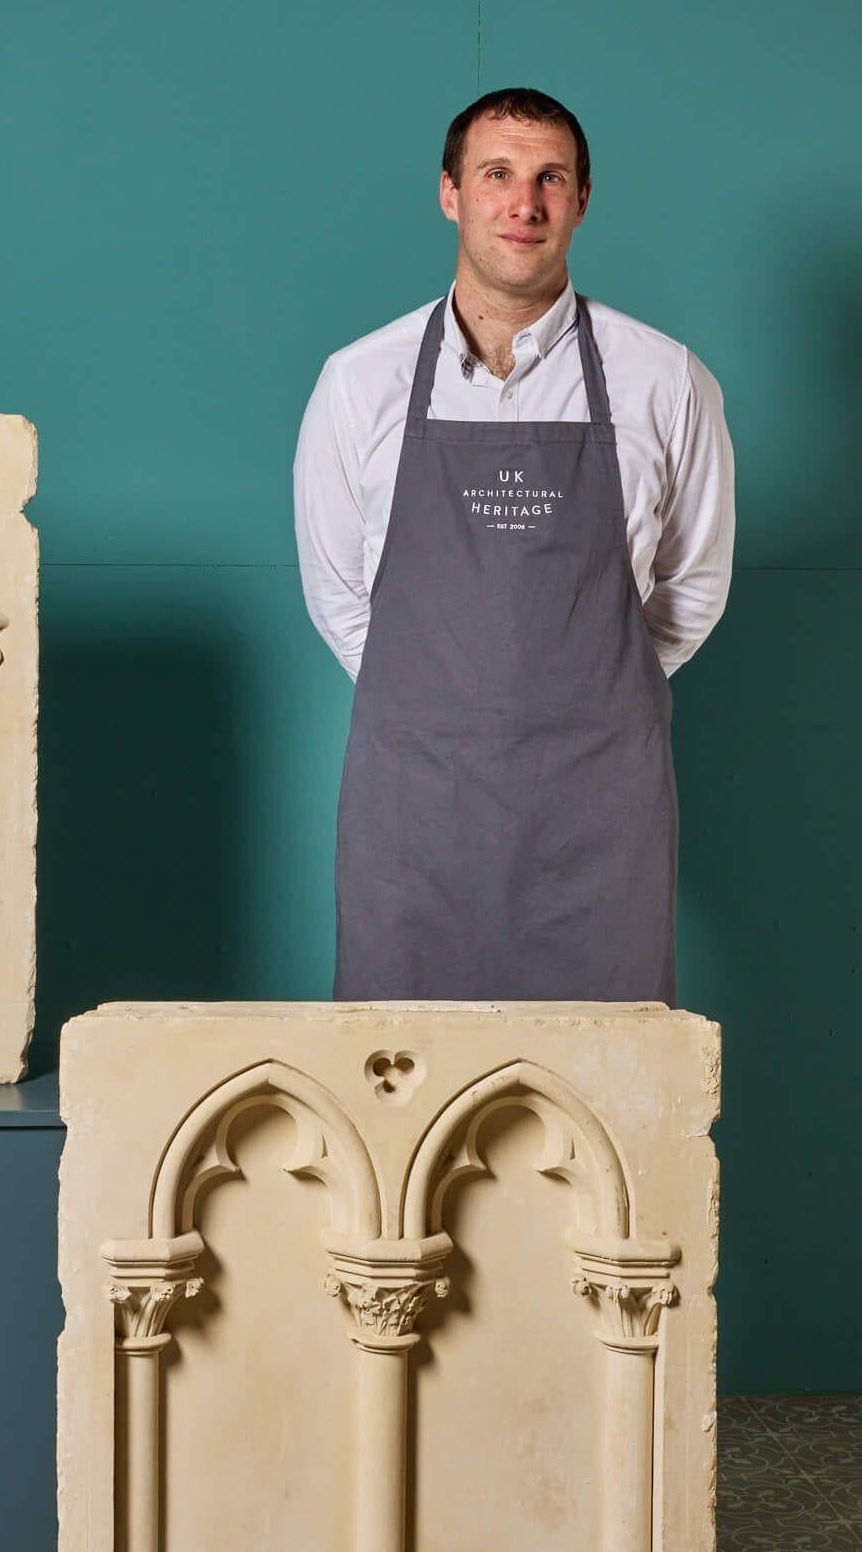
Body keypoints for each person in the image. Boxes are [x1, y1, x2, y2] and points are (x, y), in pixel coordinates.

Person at [294, 88, 735, 1006]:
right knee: (401, 1089)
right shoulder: (358, 383)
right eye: (497, 175)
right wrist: (440, 700)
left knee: (602, 1095)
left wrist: (594, 687)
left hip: (599, 808)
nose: (523, 203)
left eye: (550, 179)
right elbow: (339, 593)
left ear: (581, 199)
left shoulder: (665, 378)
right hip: (414, 805)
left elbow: (693, 587)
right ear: (451, 193)